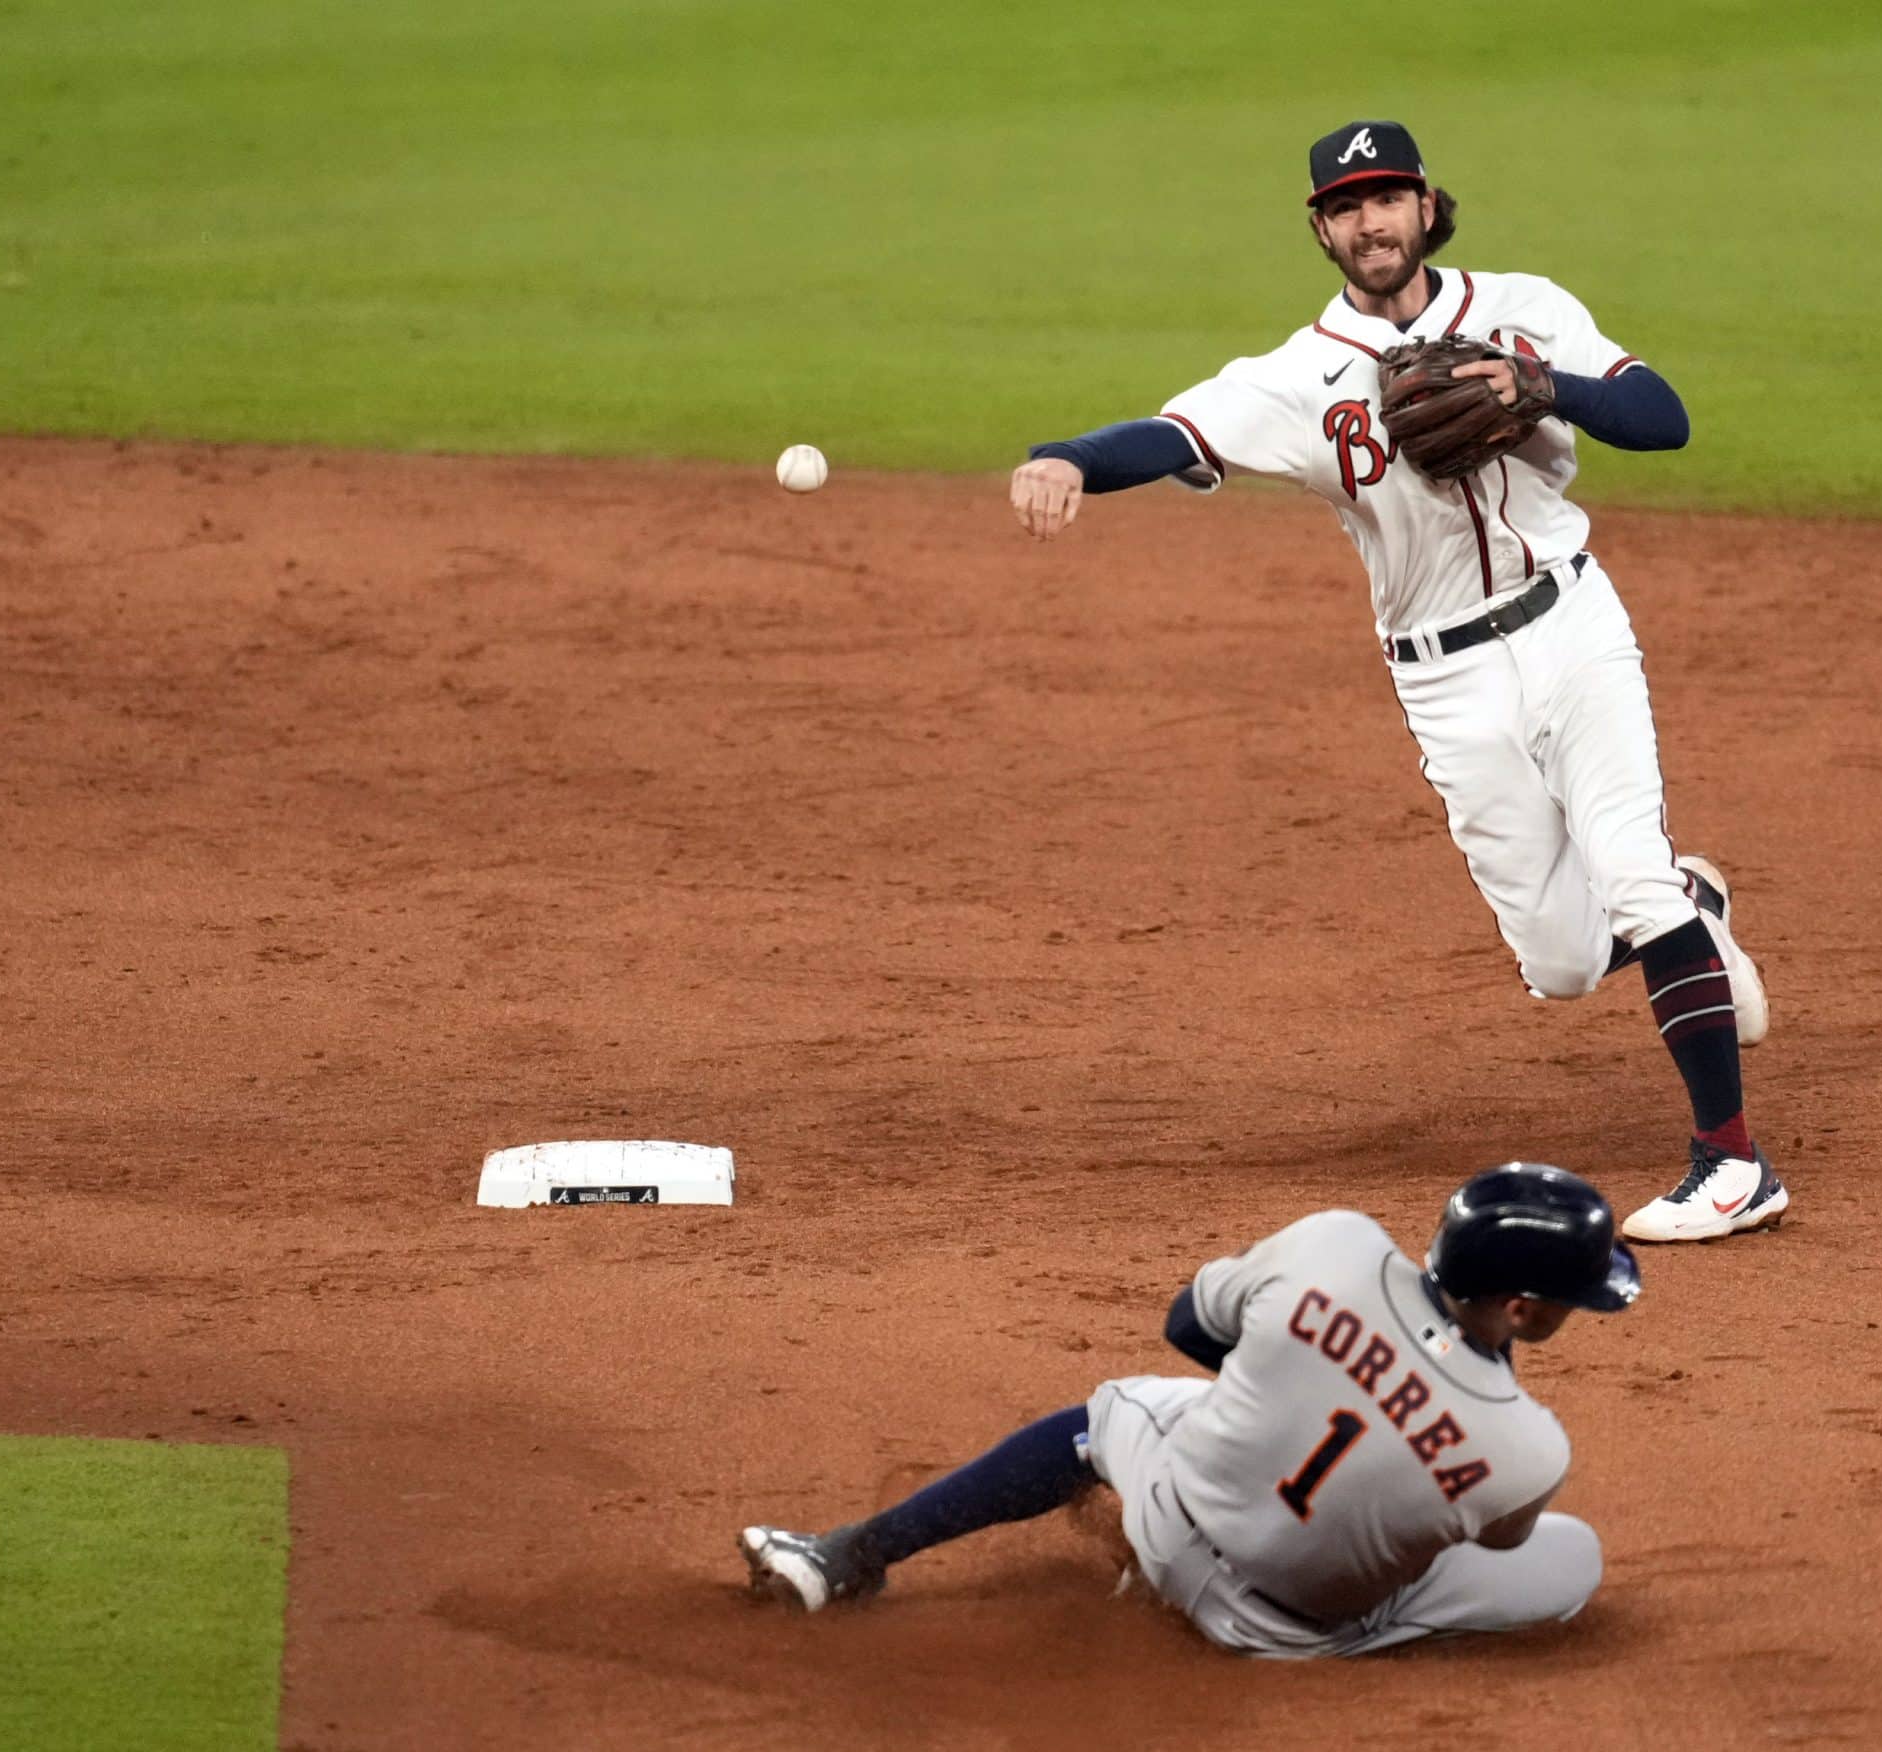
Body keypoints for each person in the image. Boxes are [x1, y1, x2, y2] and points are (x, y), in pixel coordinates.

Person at [1007, 120, 1786, 1243]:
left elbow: (1661, 421)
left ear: (1427, 206)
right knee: (1563, 965)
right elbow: (1174, 430)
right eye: (1346, 206)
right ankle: (1692, 910)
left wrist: (1538, 384)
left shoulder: (1524, 304)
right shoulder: (1296, 374)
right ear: (1320, 230)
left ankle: (1731, 1163)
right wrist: (1067, 457)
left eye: (1388, 198)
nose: (1370, 221)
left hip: (1571, 626)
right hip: (1445, 679)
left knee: (1629, 874)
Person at [740, 1165, 1636, 1657]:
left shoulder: (1337, 1244)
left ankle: (844, 1557)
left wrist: (1287, 1383)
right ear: (1520, 1308)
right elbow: (1495, 1539)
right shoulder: (1528, 1447)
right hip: (1279, 1632)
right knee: (1573, 1557)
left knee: (1110, 1414)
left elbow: (1187, 1325)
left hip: (1173, 1518)